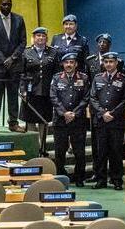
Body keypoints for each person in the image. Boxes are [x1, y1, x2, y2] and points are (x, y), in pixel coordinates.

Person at [89, 52, 125, 190]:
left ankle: (117, 180)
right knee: (100, 152)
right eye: (106, 62)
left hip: (116, 121)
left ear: (116, 63)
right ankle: (101, 179)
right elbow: (93, 98)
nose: (108, 64)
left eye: (111, 62)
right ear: (103, 63)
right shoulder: (97, 78)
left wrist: (112, 114)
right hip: (101, 121)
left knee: (116, 151)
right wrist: (103, 113)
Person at [0, 0, 27, 134]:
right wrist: (3, 59)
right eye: (4, 4)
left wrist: (12, 58)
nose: (6, 6)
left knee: (13, 95)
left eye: (9, 4)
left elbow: (23, 41)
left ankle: (13, 123)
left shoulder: (19, 19)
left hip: (15, 64)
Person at [51, 52, 90, 187]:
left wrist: (74, 113)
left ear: (76, 64)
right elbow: (53, 97)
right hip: (60, 120)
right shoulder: (56, 78)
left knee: (79, 151)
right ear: (63, 64)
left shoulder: (84, 78)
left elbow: (86, 98)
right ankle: (61, 177)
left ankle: (80, 178)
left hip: (78, 120)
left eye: (71, 62)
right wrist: (64, 113)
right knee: (60, 151)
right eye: (66, 62)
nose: (69, 65)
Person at [20, 27, 60, 155]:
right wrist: (23, 90)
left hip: (46, 92)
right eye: (38, 36)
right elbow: (21, 73)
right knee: (30, 120)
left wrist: (55, 89)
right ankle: (34, 147)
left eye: (43, 36)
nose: (41, 38)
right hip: (30, 92)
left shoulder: (53, 52)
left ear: (46, 38)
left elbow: (57, 73)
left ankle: (43, 147)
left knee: (44, 120)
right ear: (34, 38)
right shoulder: (26, 52)